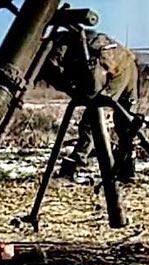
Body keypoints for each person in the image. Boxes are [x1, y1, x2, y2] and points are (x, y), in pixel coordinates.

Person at [38, 30, 140, 182]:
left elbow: (92, 91)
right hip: (122, 65)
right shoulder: (69, 46)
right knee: (124, 121)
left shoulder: (84, 54)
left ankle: (77, 163)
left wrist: (78, 92)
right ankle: (126, 167)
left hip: (120, 70)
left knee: (94, 118)